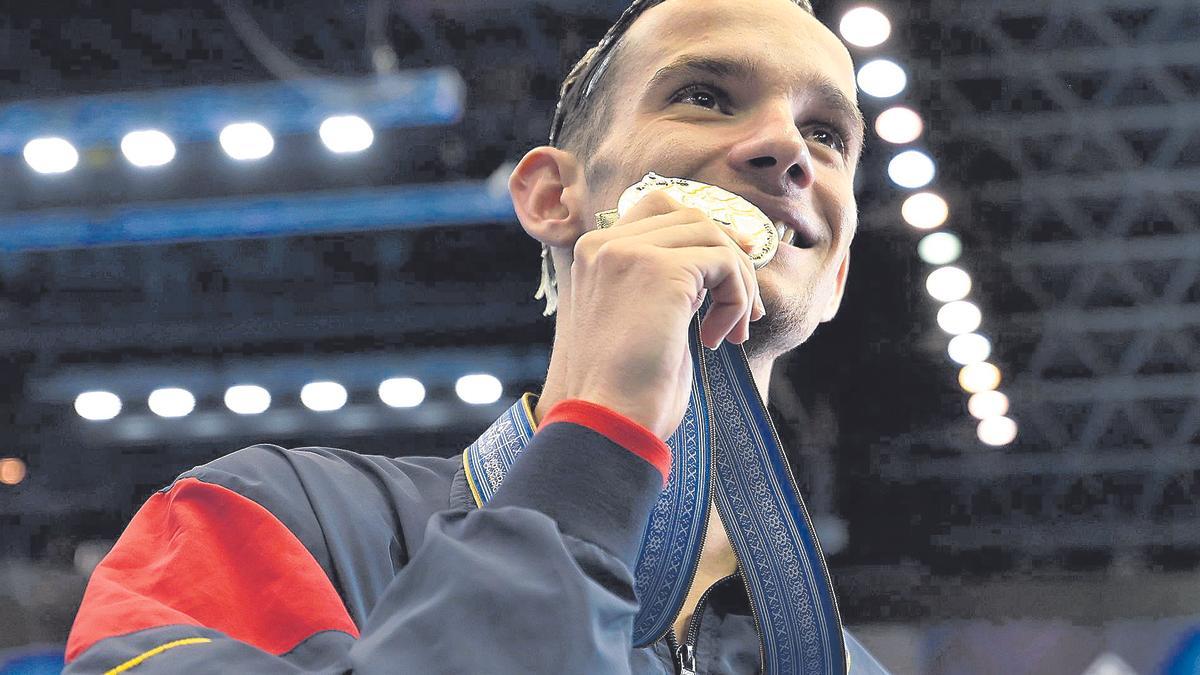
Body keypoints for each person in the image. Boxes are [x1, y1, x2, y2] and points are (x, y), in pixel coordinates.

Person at [64, 0, 890, 672]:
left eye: (827, 134)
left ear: (839, 271)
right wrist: (600, 437)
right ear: (550, 198)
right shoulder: (262, 523)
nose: (789, 148)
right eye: (705, 96)